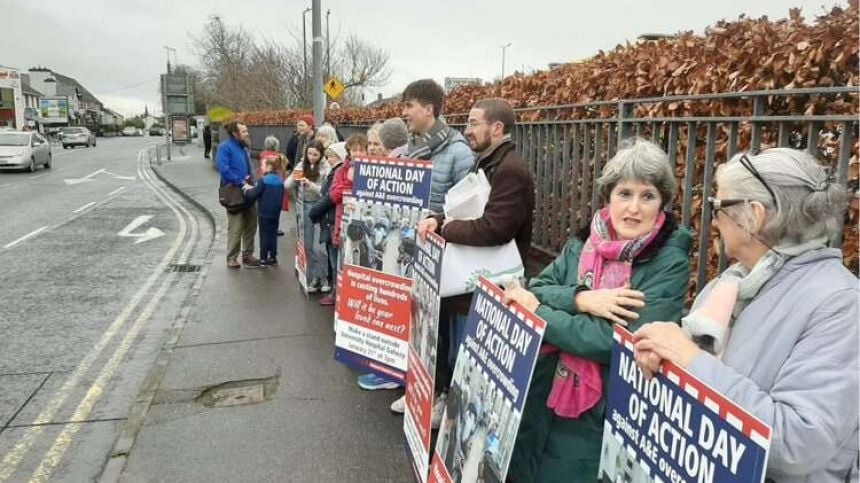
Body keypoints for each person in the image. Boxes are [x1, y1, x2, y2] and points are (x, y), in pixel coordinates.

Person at [632, 148, 858, 483]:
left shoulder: (840, 303)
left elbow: (797, 444)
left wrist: (689, 359)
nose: (713, 218)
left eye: (718, 206)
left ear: (753, 215)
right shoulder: (732, 283)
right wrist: (661, 356)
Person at [503, 137, 692, 482]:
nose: (633, 208)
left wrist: (542, 314)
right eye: (625, 194)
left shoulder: (670, 263)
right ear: (608, 197)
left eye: (647, 196)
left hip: (604, 409)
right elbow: (539, 286)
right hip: (546, 389)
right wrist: (581, 299)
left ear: (662, 203)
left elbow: (616, 340)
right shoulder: (586, 241)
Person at [408, 99, 536, 418]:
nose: (467, 130)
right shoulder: (488, 162)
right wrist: (438, 218)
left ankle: (456, 414)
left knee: (468, 357)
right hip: (468, 277)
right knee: (452, 348)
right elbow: (462, 207)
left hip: (486, 282)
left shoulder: (511, 170)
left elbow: (496, 228)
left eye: (473, 122)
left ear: (496, 128)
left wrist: (447, 227)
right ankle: (446, 401)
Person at [402, 79, 474, 214]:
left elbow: (468, 207)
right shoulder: (409, 149)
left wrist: (436, 221)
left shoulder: (459, 152)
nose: (404, 112)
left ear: (428, 110)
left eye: (409, 106)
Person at [313, 135, 367, 306]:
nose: (358, 153)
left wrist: (353, 182)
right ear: (349, 152)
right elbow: (334, 194)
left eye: (361, 149)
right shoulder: (341, 170)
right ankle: (337, 294)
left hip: (363, 223)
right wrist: (350, 184)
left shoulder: (373, 169)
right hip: (341, 221)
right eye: (354, 150)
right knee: (338, 262)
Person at [285, 141, 331, 292]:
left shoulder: (326, 168)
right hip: (303, 206)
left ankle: (323, 276)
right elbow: (287, 185)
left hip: (319, 208)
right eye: (309, 154)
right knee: (308, 244)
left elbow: (325, 192)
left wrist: (310, 184)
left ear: (321, 155)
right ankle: (313, 277)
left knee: (319, 246)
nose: (311, 157)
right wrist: (295, 177)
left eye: (315, 155)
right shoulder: (301, 165)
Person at [216, 121, 262, 269]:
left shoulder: (244, 146)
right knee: (236, 226)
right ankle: (232, 257)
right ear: (235, 134)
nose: (247, 133)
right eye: (243, 131)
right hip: (234, 191)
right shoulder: (225, 147)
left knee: (251, 224)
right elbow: (223, 168)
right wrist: (241, 182)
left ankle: (248, 255)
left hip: (248, 189)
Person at [309, 142, 348, 303]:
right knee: (332, 256)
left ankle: (335, 293)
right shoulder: (335, 172)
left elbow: (330, 196)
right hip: (330, 218)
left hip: (333, 219)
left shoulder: (337, 172)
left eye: (331, 156)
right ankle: (334, 291)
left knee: (334, 259)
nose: (328, 159)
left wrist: (315, 211)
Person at [242, 158, 286, 265]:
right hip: (276, 213)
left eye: (262, 165)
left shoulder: (263, 180)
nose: (261, 168)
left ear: (268, 167)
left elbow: (253, 195)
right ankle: (273, 257)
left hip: (264, 212)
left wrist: (246, 189)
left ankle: (263, 258)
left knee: (264, 235)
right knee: (272, 234)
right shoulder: (280, 181)